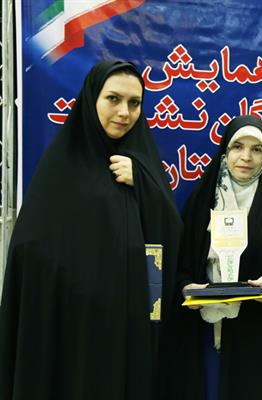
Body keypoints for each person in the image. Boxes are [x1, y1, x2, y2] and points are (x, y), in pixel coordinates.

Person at [0, 60, 183, 400]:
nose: (124, 112)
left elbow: (173, 238)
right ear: (91, 99)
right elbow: (31, 250)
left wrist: (144, 185)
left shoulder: (145, 166)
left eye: (134, 103)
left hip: (127, 325)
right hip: (71, 325)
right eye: (113, 99)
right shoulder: (62, 166)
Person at [173, 115, 262, 400]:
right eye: (237, 147)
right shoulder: (202, 201)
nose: (246, 157)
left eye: (256, 149)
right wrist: (186, 288)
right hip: (205, 333)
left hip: (259, 337)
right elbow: (180, 267)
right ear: (225, 150)